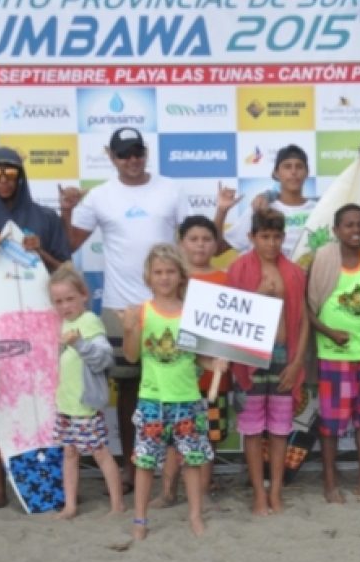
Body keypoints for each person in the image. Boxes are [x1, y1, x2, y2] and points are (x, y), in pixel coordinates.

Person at [59, 127, 191, 494]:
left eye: (137, 152)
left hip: (167, 307)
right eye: (123, 154)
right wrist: (67, 211)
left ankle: (171, 475)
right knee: (129, 391)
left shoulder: (171, 189)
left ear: (145, 152)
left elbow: (193, 242)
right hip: (120, 308)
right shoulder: (100, 196)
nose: (132, 160)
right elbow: (69, 242)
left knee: (173, 386)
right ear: (111, 156)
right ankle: (135, 469)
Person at [0, 147, 69, 509]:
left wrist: (42, 255)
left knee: (49, 397)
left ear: (20, 175)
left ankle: (58, 478)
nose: (3, 180)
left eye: (9, 172)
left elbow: (64, 276)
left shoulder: (46, 218)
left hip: (42, 324)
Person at [122, 244, 226, 538]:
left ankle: (195, 516)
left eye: (170, 272)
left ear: (181, 276)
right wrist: (130, 330)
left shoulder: (192, 313)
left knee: (192, 462)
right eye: (158, 272)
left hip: (188, 399)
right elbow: (131, 356)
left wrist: (214, 363)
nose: (164, 278)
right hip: (152, 399)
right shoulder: (141, 312)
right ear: (148, 277)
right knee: (144, 462)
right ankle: (140, 520)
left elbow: (199, 357)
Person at [228, 209, 308, 515]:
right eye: (264, 237)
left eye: (276, 237)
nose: (271, 243)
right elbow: (231, 319)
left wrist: (298, 361)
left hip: (283, 356)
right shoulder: (238, 270)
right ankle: (258, 493)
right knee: (251, 429)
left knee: (279, 429)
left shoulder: (295, 273)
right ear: (251, 237)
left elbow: (303, 322)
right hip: (248, 358)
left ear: (283, 238)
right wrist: (258, 295)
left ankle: (275, 491)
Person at [308, 204, 360, 503]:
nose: (355, 230)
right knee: (330, 425)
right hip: (333, 356)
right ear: (336, 230)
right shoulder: (324, 261)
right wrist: (329, 333)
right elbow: (308, 308)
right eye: (348, 225)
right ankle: (330, 483)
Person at [154, 215, 231, 507]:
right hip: (178, 375)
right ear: (181, 243)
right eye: (193, 239)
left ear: (216, 244)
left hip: (215, 374)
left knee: (208, 436)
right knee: (174, 438)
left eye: (207, 239)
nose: (200, 245)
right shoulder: (173, 279)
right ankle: (168, 493)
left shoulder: (226, 278)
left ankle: (202, 489)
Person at [48, 263, 124, 519]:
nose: (65, 306)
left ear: (84, 295)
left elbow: (103, 358)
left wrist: (79, 343)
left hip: (85, 404)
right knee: (69, 453)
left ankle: (117, 505)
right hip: (66, 404)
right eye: (58, 301)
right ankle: (70, 505)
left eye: (70, 299)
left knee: (100, 452)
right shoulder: (62, 325)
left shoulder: (89, 321)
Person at [215, 144, 317, 258]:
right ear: (276, 173)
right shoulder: (260, 207)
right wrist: (221, 211)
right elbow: (217, 249)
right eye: (287, 166)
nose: (293, 172)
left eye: (299, 166)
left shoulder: (318, 209)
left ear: (307, 172)